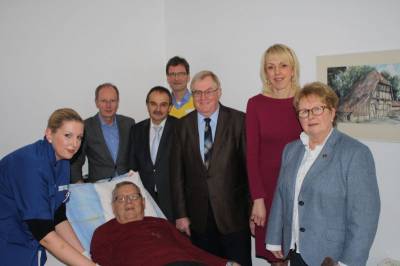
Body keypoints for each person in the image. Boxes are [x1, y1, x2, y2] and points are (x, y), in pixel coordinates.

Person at [266, 82, 380, 266]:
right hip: (295, 250)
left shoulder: (355, 153)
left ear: (332, 112)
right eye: (304, 111)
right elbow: (281, 195)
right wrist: (274, 237)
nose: (310, 116)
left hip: (331, 257)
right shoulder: (291, 150)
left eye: (317, 109)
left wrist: (348, 262)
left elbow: (365, 217)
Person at [171, 70, 252, 266]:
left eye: (209, 91)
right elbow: (176, 174)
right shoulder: (182, 126)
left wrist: (253, 211)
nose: (203, 97)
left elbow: (250, 170)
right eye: (197, 92)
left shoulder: (239, 121)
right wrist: (181, 214)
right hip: (198, 219)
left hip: (233, 216)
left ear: (219, 92)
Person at [0, 108, 96, 266]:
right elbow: (45, 234)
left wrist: (85, 256)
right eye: (68, 135)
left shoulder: (63, 161)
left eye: (79, 137)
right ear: (49, 134)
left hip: (27, 240)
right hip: (6, 239)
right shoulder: (31, 165)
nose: (75, 144)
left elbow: (58, 216)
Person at [246, 43, 302, 265]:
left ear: (293, 69)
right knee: (276, 257)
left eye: (283, 65)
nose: (277, 72)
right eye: (271, 67)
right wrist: (257, 199)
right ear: (265, 72)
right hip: (268, 191)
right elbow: (251, 156)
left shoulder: (304, 101)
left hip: (300, 188)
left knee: (301, 252)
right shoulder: (256, 104)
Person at [90, 181, 235, 266]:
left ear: (143, 202)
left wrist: (226, 264)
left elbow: (192, 250)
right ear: (113, 207)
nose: (128, 201)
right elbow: (100, 262)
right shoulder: (104, 232)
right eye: (121, 199)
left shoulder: (161, 223)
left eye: (134, 196)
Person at [70, 83, 135, 183]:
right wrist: (80, 185)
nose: (108, 105)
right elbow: (76, 161)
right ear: (96, 103)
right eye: (104, 101)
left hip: (127, 183)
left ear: (118, 102)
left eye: (112, 101)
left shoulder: (128, 124)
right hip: (99, 186)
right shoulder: (86, 127)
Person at [132, 86, 177, 221]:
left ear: (170, 107)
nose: (158, 109)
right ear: (147, 105)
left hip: (173, 200)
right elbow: (132, 166)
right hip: (145, 200)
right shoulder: (136, 130)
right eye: (153, 104)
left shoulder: (181, 128)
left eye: (163, 105)